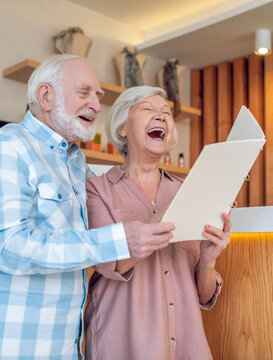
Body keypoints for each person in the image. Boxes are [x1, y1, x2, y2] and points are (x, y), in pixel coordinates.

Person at [0, 55, 174, 359]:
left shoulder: (75, 162)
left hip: (64, 347)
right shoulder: (9, 146)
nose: (97, 105)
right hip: (9, 345)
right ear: (46, 96)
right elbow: (8, 245)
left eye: (98, 96)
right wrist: (119, 240)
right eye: (84, 92)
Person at [84, 86, 231, 360]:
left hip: (188, 345)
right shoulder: (96, 189)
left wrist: (208, 260)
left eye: (166, 113)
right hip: (122, 344)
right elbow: (110, 262)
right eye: (148, 109)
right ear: (122, 128)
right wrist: (177, 209)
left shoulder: (189, 189)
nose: (161, 117)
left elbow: (204, 295)